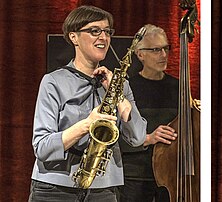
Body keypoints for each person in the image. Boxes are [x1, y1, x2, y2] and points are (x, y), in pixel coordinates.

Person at [30, 5, 147, 202]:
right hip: (54, 188)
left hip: (104, 188)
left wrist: (120, 98)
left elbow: (138, 138)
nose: (103, 37)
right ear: (74, 37)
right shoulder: (53, 82)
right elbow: (42, 147)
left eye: (107, 31)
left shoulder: (119, 85)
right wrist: (86, 125)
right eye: (94, 31)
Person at [118, 24, 178, 202]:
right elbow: (116, 134)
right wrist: (148, 138)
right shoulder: (128, 88)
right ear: (140, 54)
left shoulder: (179, 87)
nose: (163, 55)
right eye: (156, 50)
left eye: (165, 48)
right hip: (136, 174)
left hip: (171, 174)